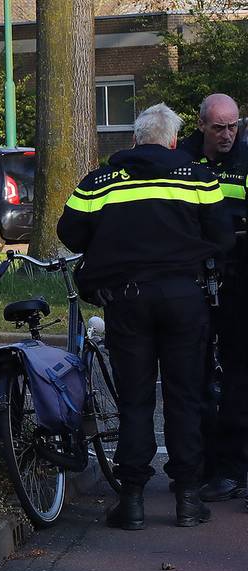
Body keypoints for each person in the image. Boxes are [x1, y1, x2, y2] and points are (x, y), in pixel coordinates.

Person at [58, 103, 233, 530]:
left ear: (135, 140)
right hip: (184, 299)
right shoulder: (198, 176)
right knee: (184, 397)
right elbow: (223, 237)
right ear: (174, 141)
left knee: (135, 400)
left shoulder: (101, 180)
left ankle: (132, 501)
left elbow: (69, 231)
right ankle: (188, 500)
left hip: (127, 300)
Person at [177, 93, 248, 503]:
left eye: (233, 126)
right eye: (219, 127)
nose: (227, 135)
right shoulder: (184, 158)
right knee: (193, 373)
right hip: (195, 277)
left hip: (240, 278)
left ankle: (234, 468)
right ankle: (198, 464)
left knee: (239, 372)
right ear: (202, 124)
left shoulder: (245, 157)